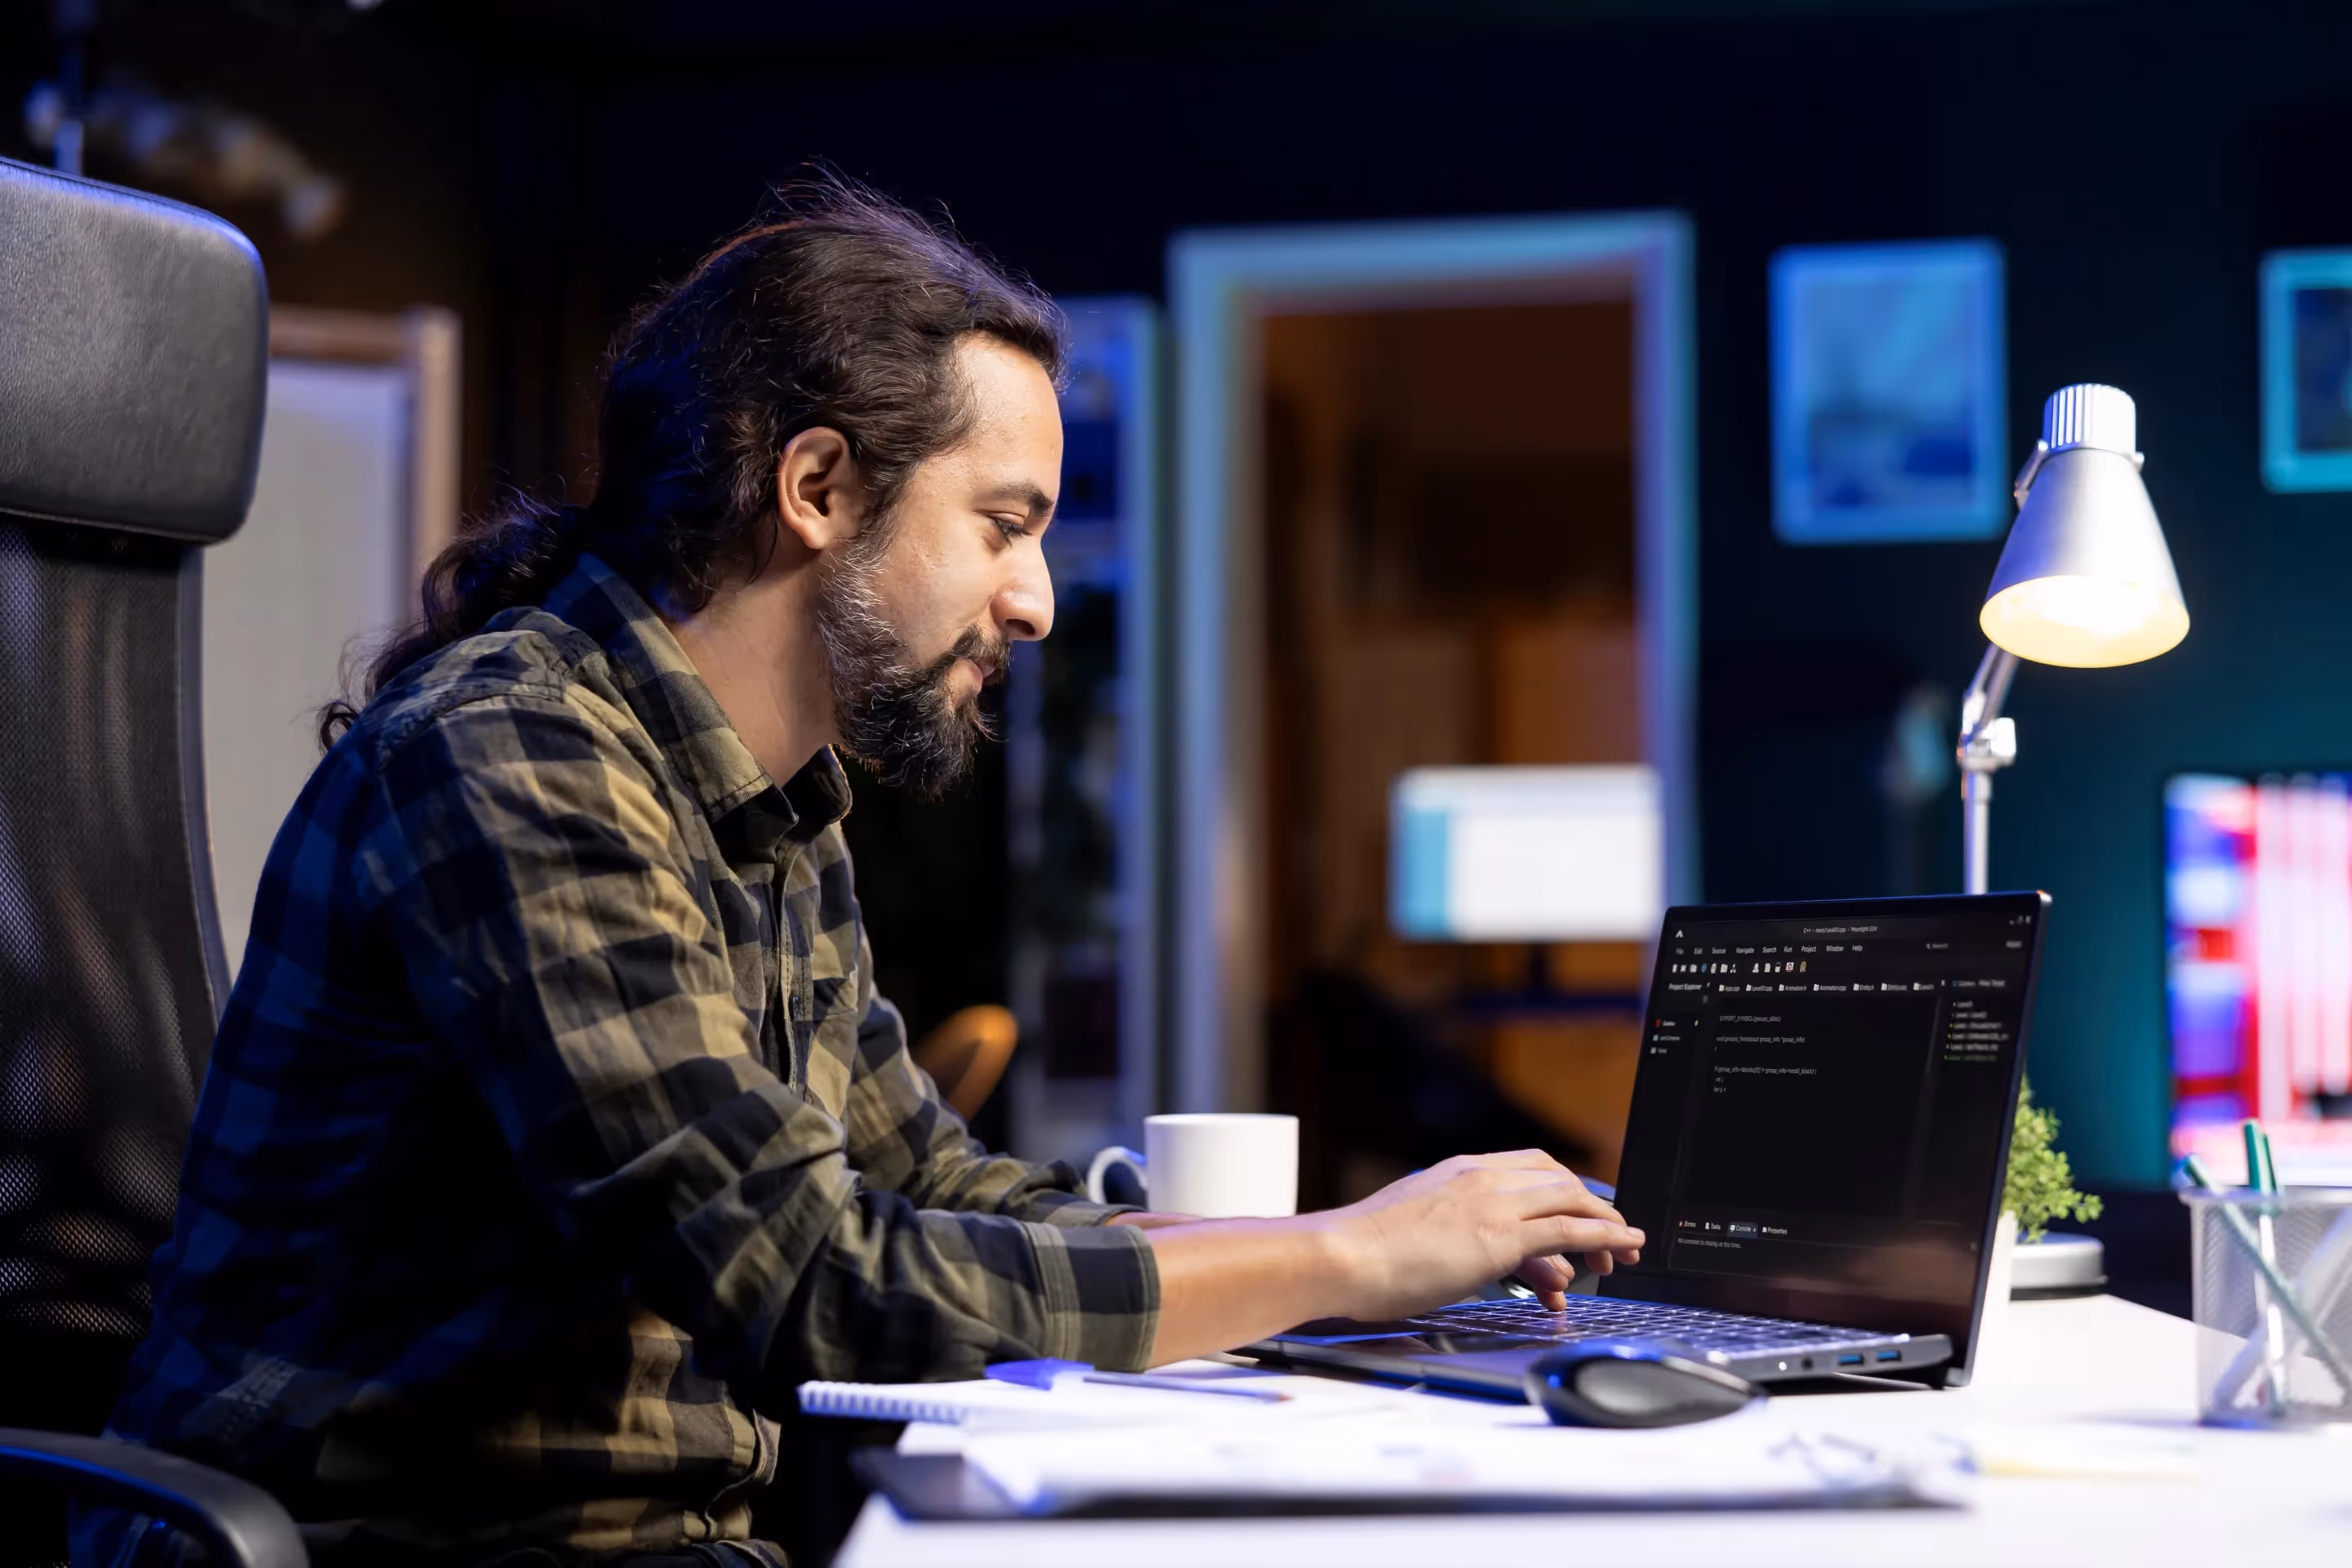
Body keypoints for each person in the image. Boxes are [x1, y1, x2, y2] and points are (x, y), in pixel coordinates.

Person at [91, 176, 1641, 1566]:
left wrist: (1400, 1271)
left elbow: (925, 1188)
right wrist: (1338, 1260)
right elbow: (808, 1277)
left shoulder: (776, 799)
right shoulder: (511, 761)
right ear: (818, 487)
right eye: (1004, 525)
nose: (1035, 601)